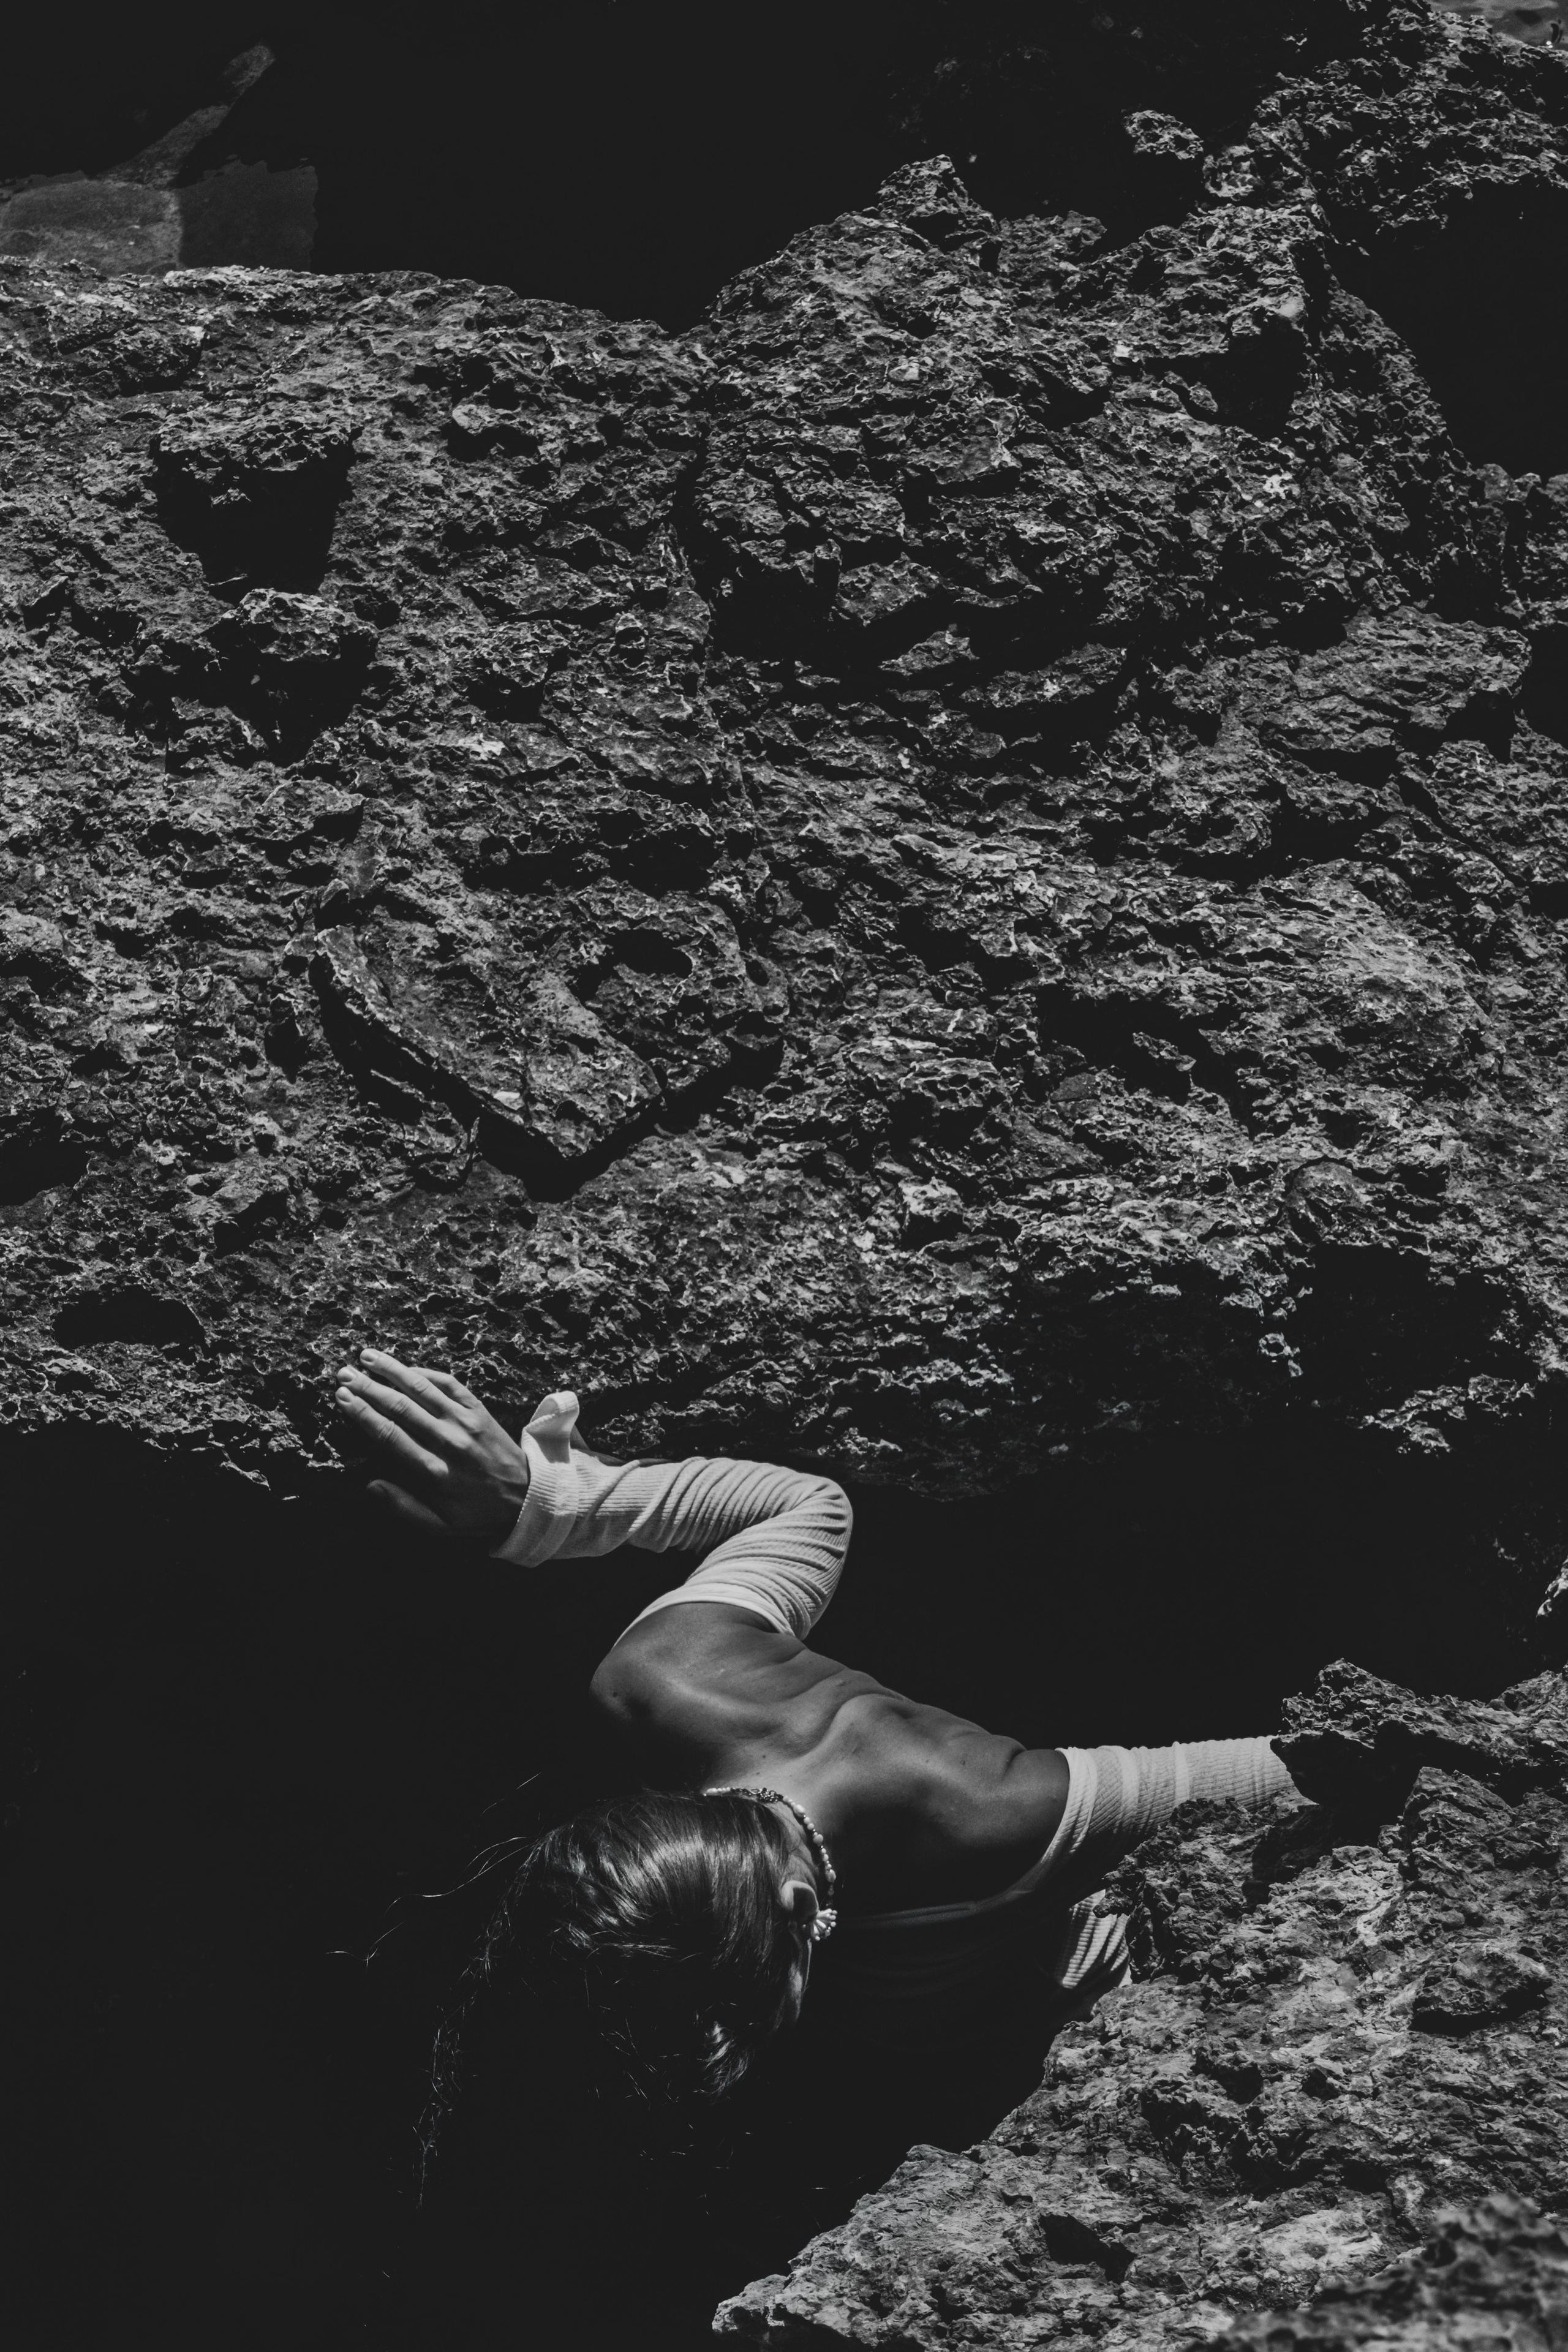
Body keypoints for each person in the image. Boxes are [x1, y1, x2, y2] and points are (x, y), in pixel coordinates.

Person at [333, 1346, 1297, 2116]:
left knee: (900, 2045)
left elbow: (1306, 1775)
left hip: (963, 2048)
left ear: (802, 1907)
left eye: (743, 2008)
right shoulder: (659, 1680)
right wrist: (555, 1511)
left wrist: (1125, 1957)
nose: (731, 2042)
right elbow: (805, 1504)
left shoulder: (996, 1810)